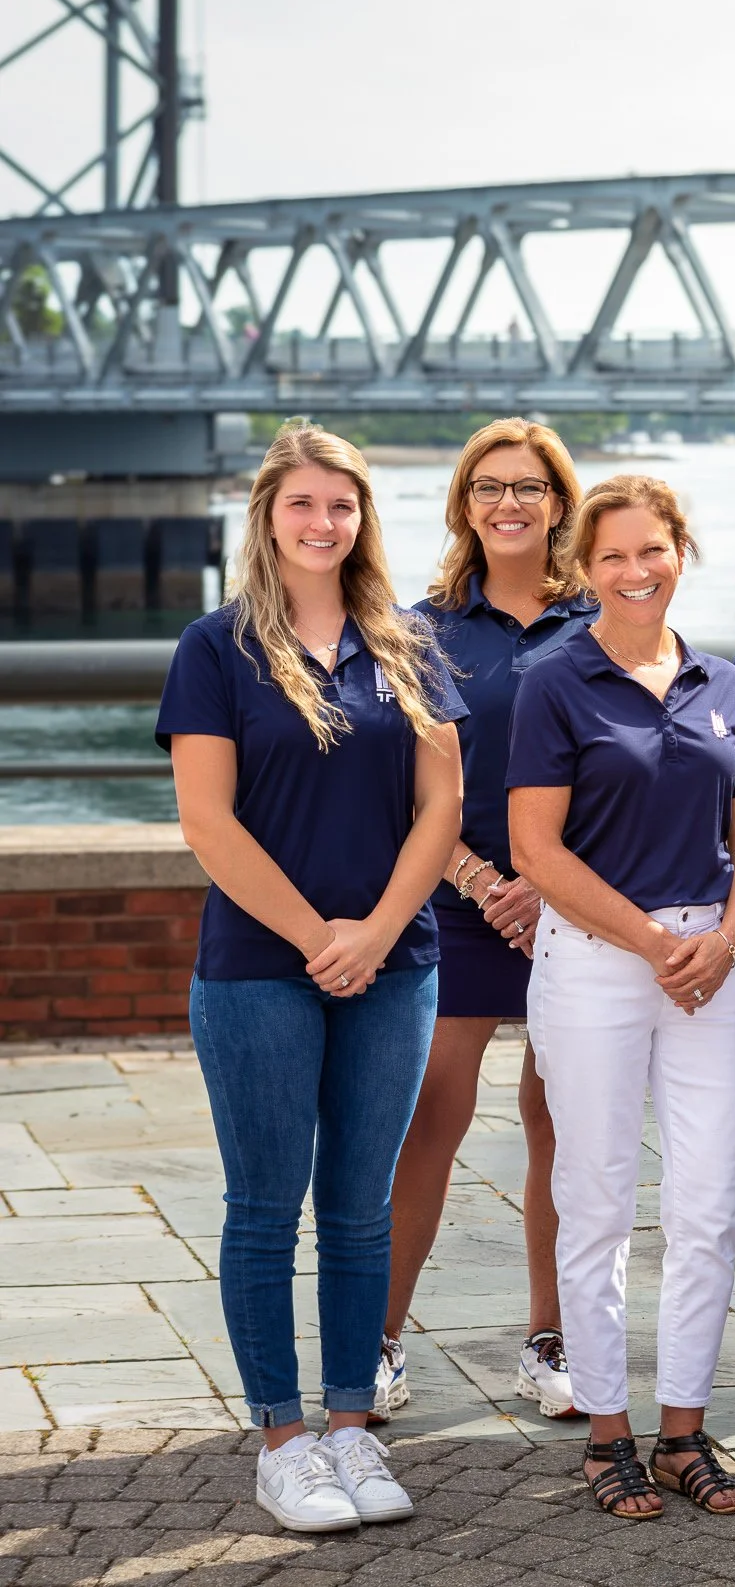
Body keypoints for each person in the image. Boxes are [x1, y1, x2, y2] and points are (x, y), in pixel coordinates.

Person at [158, 423, 464, 1532]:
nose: (324, 522)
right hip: (256, 969)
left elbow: (443, 810)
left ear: (362, 516)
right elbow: (207, 819)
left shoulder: (410, 642)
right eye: (303, 505)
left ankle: (350, 1426)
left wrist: (376, 931)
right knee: (263, 1205)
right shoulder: (215, 645)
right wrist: (316, 936)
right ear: (268, 516)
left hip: (396, 961)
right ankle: (283, 1441)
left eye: (342, 505)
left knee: (361, 1210)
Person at [508, 475, 735, 1521]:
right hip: (597, 964)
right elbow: (534, 846)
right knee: (599, 1197)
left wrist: (725, 938)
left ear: (681, 551)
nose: (636, 571)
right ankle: (607, 1432)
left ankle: (683, 1427)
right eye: (613, 555)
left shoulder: (720, 679)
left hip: (712, 957)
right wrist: (653, 940)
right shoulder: (552, 680)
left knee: (709, 1201)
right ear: (586, 567)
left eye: (653, 550)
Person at [382, 419, 596, 1428]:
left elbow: (627, 780)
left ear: (559, 501)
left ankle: (551, 1340)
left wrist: (546, 886)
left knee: (563, 1122)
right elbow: (403, 786)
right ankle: (374, 1343)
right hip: (458, 905)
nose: (508, 502)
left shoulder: (602, 622)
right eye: (487, 486)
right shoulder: (417, 630)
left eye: (528, 485)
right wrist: (480, 879)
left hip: (577, 904)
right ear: (464, 504)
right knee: (428, 1114)